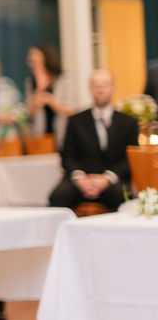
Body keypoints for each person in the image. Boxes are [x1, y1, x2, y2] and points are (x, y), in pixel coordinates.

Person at [49, 69, 138, 213]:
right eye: (96, 85)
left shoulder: (129, 122)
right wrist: (80, 178)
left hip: (113, 180)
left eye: (104, 85)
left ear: (113, 87)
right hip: (81, 179)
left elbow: (130, 159)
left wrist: (106, 178)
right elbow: (67, 156)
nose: (100, 89)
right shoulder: (75, 120)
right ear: (90, 88)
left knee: (123, 196)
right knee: (58, 196)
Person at [25, 43, 72, 146]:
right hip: (41, 137)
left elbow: (71, 110)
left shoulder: (63, 79)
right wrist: (39, 89)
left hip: (62, 134)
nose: (31, 59)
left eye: (34, 55)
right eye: (30, 57)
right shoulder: (30, 82)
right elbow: (29, 114)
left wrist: (50, 100)